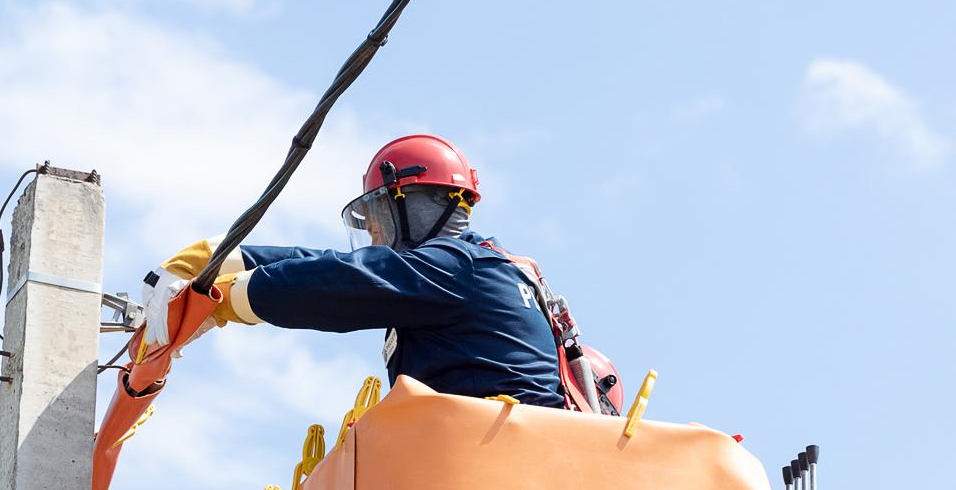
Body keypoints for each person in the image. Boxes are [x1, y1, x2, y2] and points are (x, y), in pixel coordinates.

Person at [147, 134, 622, 413]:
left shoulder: (459, 269)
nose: (373, 232)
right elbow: (335, 265)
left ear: (415, 205)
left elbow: (342, 282)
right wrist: (216, 259)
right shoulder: (476, 268)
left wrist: (227, 299)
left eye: (377, 216)